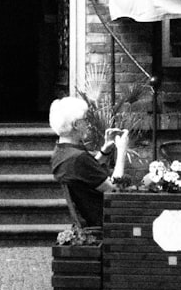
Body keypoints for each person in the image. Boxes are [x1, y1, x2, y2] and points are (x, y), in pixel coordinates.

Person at [49, 96, 130, 229]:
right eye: (85, 120)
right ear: (76, 125)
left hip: (89, 219)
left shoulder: (61, 152)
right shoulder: (78, 158)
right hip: (104, 221)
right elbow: (115, 190)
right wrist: (121, 151)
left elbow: (87, 174)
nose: (89, 124)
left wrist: (105, 151)